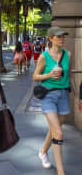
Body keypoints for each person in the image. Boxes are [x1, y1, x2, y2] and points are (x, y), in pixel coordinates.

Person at [33, 26, 76, 175]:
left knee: (54, 129)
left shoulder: (68, 55)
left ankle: (43, 151)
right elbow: (35, 76)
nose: (62, 39)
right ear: (50, 38)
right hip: (48, 96)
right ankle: (61, 172)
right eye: (58, 37)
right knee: (58, 132)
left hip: (64, 95)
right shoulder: (44, 56)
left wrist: (77, 96)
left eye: (63, 36)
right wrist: (49, 75)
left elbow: (69, 76)